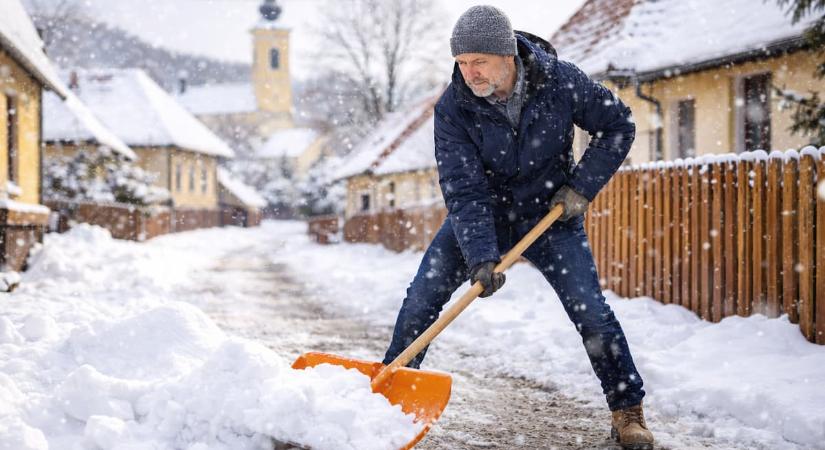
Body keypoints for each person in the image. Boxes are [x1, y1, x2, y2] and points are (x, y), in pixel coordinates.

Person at [381, 5, 654, 449]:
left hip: (550, 215)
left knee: (591, 312)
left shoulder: (561, 81)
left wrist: (580, 188)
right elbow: (464, 188)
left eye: (479, 61)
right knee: (420, 302)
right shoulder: (454, 108)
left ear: (507, 55)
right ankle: (386, 400)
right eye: (462, 63)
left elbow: (617, 125)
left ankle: (628, 412)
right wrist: (481, 256)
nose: (469, 73)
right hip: (481, 216)